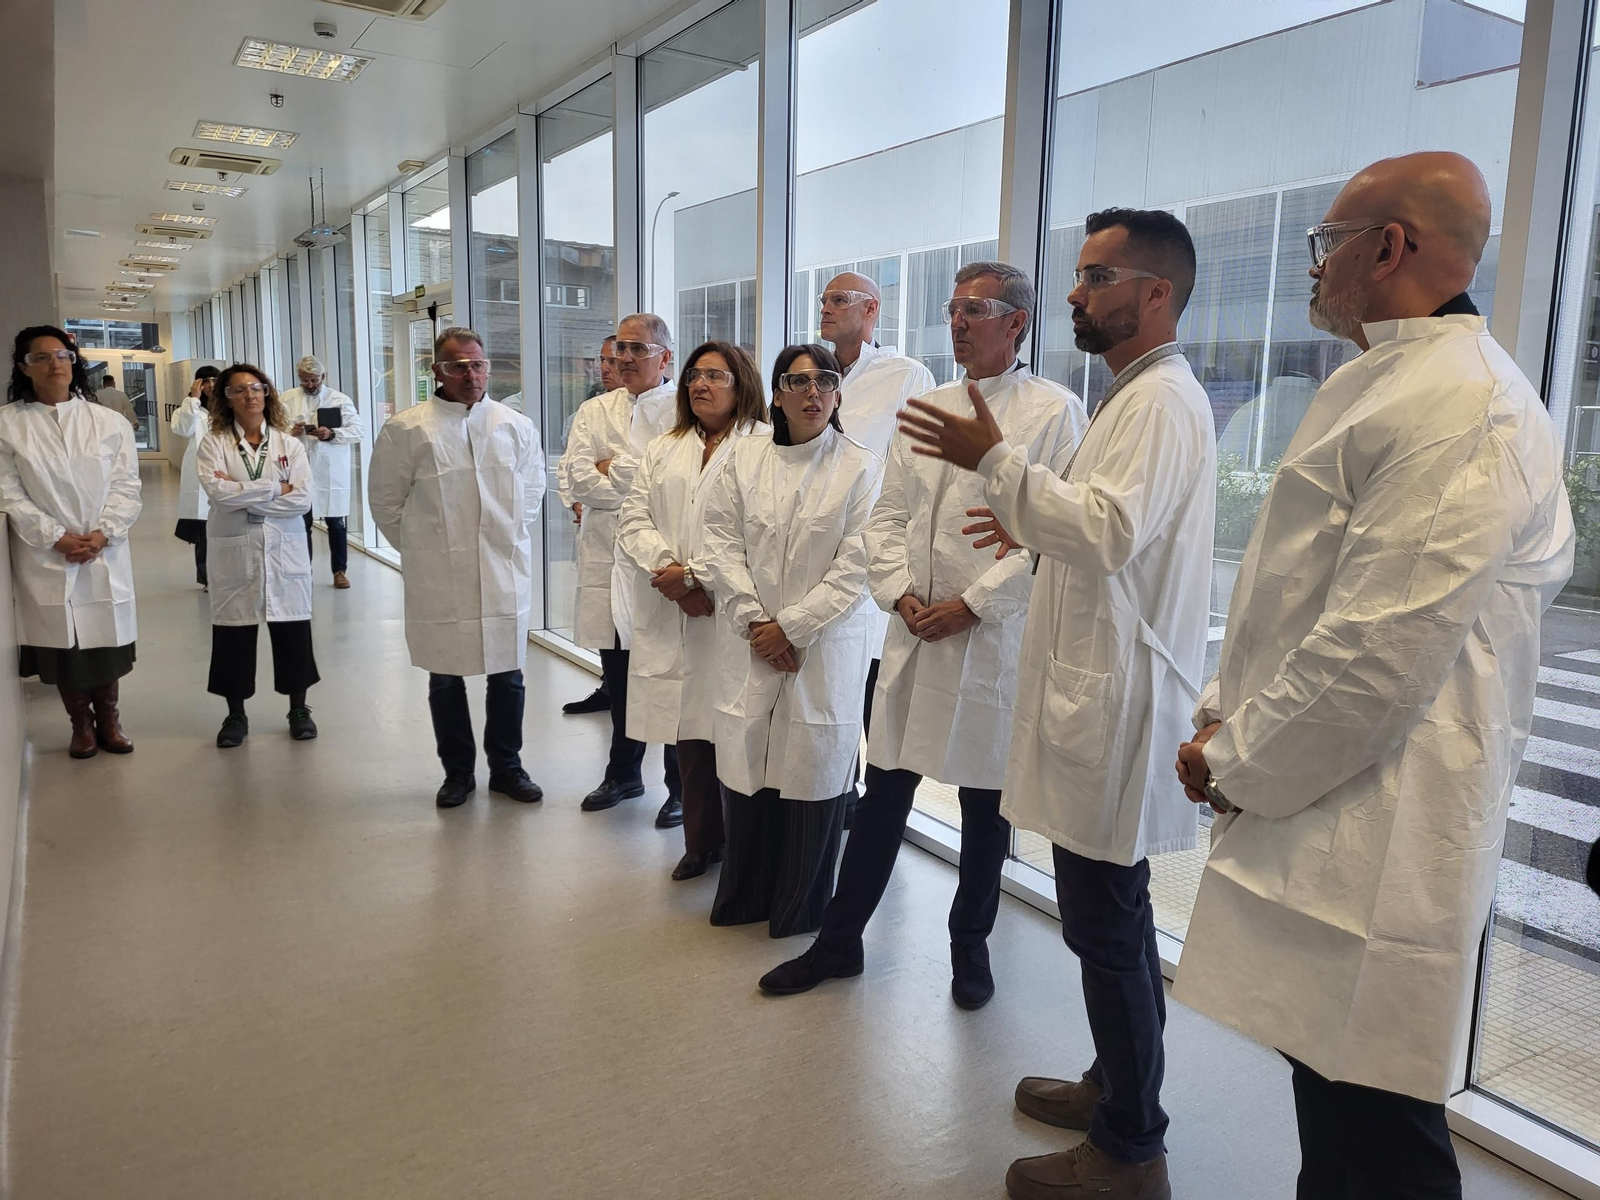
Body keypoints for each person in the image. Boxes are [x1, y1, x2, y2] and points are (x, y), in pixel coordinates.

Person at [1172, 152, 1574, 1200]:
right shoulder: (1389, 382)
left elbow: (1375, 652)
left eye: (1326, 244)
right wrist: (1226, 724)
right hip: (1330, 801)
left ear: (1388, 247)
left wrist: (1234, 760)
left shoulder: (1462, 405)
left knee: (1379, 1137)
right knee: (1342, 1112)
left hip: (1384, 816)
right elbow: (1295, 600)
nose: (1313, 268)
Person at [900, 209, 1214, 1200]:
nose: (1072, 294)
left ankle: (1131, 1147)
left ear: (1153, 293)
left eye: (1094, 277)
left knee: (1108, 930)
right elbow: (1082, 525)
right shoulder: (1132, 398)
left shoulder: (1160, 402)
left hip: (1113, 705)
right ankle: (1113, 1083)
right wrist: (1024, 502)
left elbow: (1107, 531)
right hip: (1093, 692)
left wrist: (997, 463)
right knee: (1106, 922)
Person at [761, 262, 1086, 1008]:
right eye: (953, 308)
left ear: (1017, 323)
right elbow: (889, 515)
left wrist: (973, 605)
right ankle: (839, 941)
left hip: (991, 640)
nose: (958, 321)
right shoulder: (927, 407)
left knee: (983, 808)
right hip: (912, 633)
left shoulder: (1054, 413)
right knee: (883, 798)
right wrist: (901, 596)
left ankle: (970, 950)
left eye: (976, 309)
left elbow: (1048, 539)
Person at [701, 344, 877, 938]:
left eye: (824, 381)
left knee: (811, 772)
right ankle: (746, 895)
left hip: (821, 649)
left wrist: (792, 628)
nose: (812, 393)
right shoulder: (741, 459)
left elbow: (856, 565)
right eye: (797, 382)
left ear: (838, 393)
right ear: (776, 393)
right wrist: (759, 624)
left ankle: (799, 909)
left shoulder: (860, 466)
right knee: (750, 770)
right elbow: (719, 544)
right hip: (753, 642)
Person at [368, 327, 546, 808]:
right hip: (437, 573)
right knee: (445, 675)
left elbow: (532, 490)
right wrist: (423, 550)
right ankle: (458, 773)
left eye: (478, 364)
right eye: (458, 366)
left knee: (507, 673)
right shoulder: (407, 428)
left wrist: (505, 536)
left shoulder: (514, 424)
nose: (471, 374)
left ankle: (507, 768)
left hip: (501, 568)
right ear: (437, 371)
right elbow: (385, 503)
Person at [617, 342, 770, 880]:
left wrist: (694, 575)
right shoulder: (665, 447)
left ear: (741, 382)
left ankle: (745, 850)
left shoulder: (765, 446)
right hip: (675, 607)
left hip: (732, 609)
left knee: (736, 732)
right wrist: (671, 573)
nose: (700, 384)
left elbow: (753, 533)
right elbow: (633, 518)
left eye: (715, 375)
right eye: (693, 376)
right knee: (690, 736)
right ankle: (700, 844)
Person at [818, 272, 936, 816]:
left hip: (875, 553)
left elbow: (918, 467)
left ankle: (875, 810)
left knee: (871, 688)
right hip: (817, 547)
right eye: (824, 300)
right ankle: (834, 796)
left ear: (872, 310)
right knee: (826, 685)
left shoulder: (904, 375)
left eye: (839, 300)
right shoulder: (812, 373)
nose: (827, 308)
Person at [558, 315, 682, 823]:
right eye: (618, 351)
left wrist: (616, 467)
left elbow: (671, 484)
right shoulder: (594, 410)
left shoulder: (684, 407)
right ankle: (624, 773)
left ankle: (680, 787)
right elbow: (577, 479)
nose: (624, 359)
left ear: (665, 356)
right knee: (619, 676)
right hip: (606, 559)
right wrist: (626, 474)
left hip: (660, 561)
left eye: (637, 349)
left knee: (672, 676)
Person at [0, 325, 141, 759]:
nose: (53, 364)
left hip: (103, 549)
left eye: (61, 356)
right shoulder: (8, 424)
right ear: (24, 368)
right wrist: (55, 537)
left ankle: (111, 722)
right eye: (40, 357)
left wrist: (103, 534)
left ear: (74, 362)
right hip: (46, 552)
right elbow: (8, 491)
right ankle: (81, 724)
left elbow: (127, 485)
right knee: (66, 646)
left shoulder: (108, 422)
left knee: (105, 642)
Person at [197, 364, 321, 748]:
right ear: (225, 399)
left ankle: (298, 709)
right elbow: (217, 494)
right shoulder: (213, 443)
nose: (249, 395)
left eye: (256, 387)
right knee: (234, 631)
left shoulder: (290, 444)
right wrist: (273, 489)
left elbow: (302, 499)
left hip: (284, 550)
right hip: (235, 551)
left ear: (267, 393)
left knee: (293, 631)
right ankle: (235, 714)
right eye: (238, 390)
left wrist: (246, 493)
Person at [562, 335, 622, 717]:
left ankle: (617, 691)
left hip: (638, 539)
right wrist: (578, 498)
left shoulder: (669, 410)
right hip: (597, 528)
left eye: (612, 360)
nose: (606, 368)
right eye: (602, 360)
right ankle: (608, 687)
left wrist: (608, 470)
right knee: (605, 621)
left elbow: (653, 479)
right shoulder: (590, 411)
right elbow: (572, 470)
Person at [279, 355, 361, 590]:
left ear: (323, 377)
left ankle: (340, 571)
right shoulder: (287, 399)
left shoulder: (339, 399)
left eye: (314, 380)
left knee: (336, 523)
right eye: (305, 381)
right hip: (299, 469)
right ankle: (304, 570)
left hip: (330, 470)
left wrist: (332, 434)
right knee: (301, 522)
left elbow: (358, 430)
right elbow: (273, 430)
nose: (310, 385)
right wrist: (290, 431)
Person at [171, 365, 219, 588]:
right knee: (203, 528)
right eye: (204, 381)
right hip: (199, 473)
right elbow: (183, 429)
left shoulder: (229, 406)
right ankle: (206, 576)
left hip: (225, 471)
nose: (210, 385)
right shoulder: (189, 408)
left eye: (213, 380)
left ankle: (225, 573)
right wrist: (193, 399)